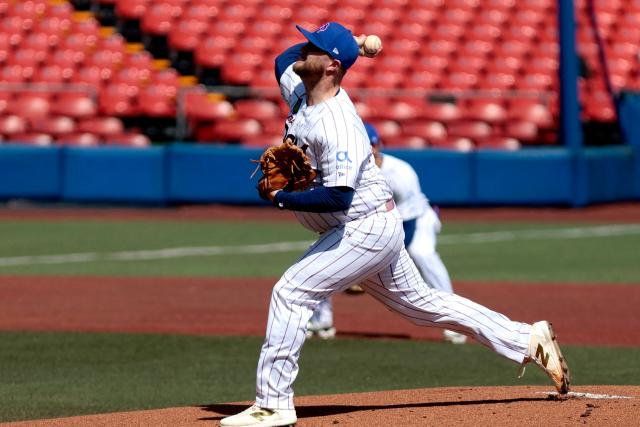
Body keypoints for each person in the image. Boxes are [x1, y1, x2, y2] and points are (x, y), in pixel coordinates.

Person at [221, 22, 570, 427]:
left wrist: (281, 198)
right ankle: (526, 338)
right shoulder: (301, 93)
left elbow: (338, 196)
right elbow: (282, 59)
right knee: (424, 305)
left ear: (331, 67)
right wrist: (351, 46)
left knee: (291, 293)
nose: (304, 52)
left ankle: (274, 404)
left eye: (315, 47)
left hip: (362, 227)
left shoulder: (338, 125)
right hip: (365, 226)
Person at [306, 122, 467, 344]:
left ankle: (455, 320)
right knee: (321, 253)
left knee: (421, 254)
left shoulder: (400, 174)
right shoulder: (343, 172)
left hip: (417, 220)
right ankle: (320, 321)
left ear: (378, 145)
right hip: (376, 222)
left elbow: (405, 228)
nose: (368, 150)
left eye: (371, 145)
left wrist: (372, 266)